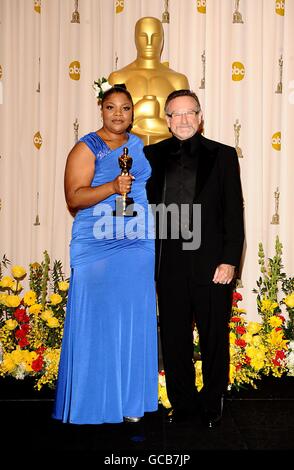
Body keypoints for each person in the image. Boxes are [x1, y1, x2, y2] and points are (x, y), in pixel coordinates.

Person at [52, 85, 158, 424]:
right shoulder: (86, 148)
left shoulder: (137, 145)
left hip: (137, 240)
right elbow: (74, 197)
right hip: (97, 243)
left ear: (132, 113)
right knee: (97, 319)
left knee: (133, 316)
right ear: (101, 109)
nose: (118, 114)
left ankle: (130, 403)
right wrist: (112, 187)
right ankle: (91, 403)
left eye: (125, 108)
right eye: (111, 107)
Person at [144, 89, 244, 428]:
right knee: (174, 338)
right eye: (176, 114)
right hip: (168, 264)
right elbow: (138, 213)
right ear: (167, 120)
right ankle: (182, 404)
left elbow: (233, 213)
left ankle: (212, 400)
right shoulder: (149, 156)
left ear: (200, 118)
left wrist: (230, 260)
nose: (184, 120)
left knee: (214, 335)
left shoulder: (224, 155)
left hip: (212, 264)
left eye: (190, 113)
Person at [108, 16, 189, 145]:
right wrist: (140, 109)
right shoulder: (119, 77)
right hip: (127, 154)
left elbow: (185, 125)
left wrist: (150, 122)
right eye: (143, 36)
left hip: (168, 155)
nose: (149, 42)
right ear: (135, 38)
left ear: (162, 39)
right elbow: (111, 124)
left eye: (155, 36)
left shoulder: (177, 80)